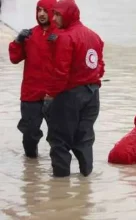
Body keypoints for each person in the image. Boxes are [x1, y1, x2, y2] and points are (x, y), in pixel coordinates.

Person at [45, 0, 105, 177]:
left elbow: (60, 72)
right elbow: (100, 66)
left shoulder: (66, 37)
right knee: (85, 139)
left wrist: (50, 94)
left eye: (57, 15)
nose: (54, 19)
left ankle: (60, 189)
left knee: (59, 140)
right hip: (93, 94)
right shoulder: (94, 36)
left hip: (70, 95)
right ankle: (86, 182)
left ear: (68, 14)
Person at [8, 0, 58, 158]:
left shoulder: (61, 34)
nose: (41, 14)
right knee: (29, 135)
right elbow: (14, 58)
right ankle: (31, 171)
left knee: (57, 137)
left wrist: (58, 40)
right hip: (31, 94)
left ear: (53, 12)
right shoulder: (29, 35)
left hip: (55, 96)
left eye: (45, 10)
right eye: (39, 10)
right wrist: (18, 41)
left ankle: (57, 173)